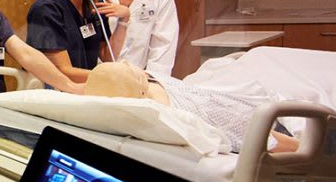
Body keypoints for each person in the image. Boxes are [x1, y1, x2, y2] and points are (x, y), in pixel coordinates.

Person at [84, 61, 299, 154]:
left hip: (207, 88)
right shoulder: (183, 114)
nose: (128, 63)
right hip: (251, 111)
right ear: (140, 91)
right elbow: (260, 135)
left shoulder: (146, 81)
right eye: (127, 67)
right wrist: (306, 147)